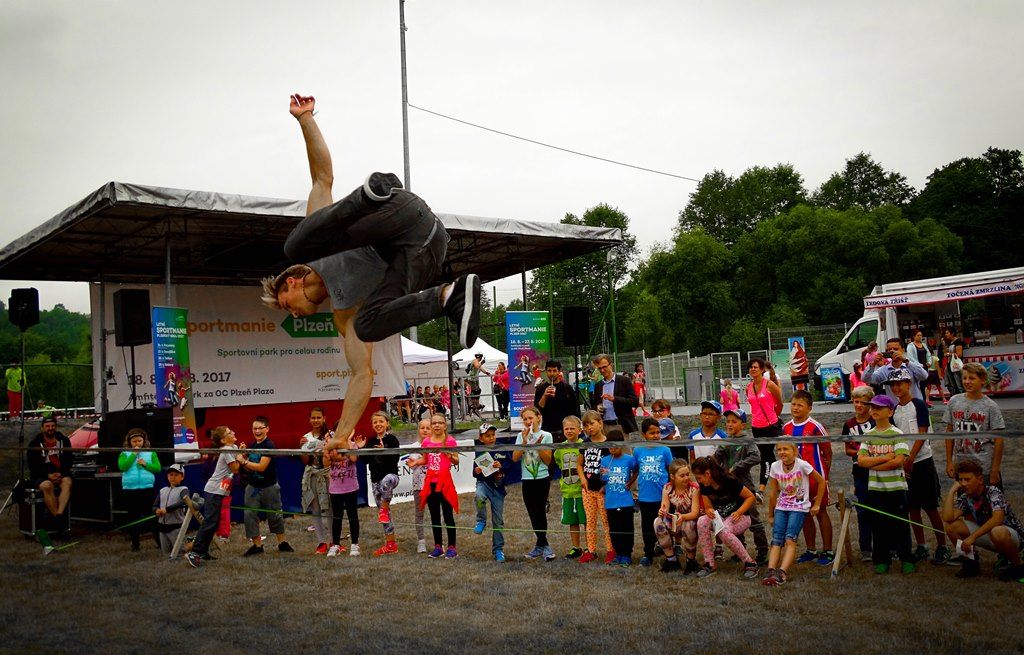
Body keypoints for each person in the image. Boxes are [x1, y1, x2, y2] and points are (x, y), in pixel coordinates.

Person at [261, 94, 481, 450]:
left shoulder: (317, 251)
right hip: (427, 249)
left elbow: (321, 178)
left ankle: (368, 196)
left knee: (298, 244)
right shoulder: (346, 317)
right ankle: (447, 296)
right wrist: (343, 435)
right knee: (367, 323)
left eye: (287, 304)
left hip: (394, 215)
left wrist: (305, 120)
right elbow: (361, 376)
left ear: (292, 280)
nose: (294, 312)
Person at [888, 369, 951, 564]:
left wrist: (911, 457)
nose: (897, 387)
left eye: (901, 383)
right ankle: (921, 545)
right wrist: (902, 460)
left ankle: (942, 545)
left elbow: (923, 433)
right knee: (912, 507)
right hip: (905, 464)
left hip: (922, 461)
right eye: (893, 384)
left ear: (909, 384)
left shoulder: (919, 405)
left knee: (930, 506)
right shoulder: (895, 410)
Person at [856, 395, 916, 574]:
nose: (874, 410)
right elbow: (861, 461)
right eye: (872, 407)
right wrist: (885, 458)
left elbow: (899, 461)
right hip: (876, 488)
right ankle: (881, 560)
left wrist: (875, 462)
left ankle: (906, 558)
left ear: (890, 412)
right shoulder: (868, 435)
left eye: (879, 408)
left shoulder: (897, 434)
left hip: (896, 488)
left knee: (901, 525)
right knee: (878, 526)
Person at [941, 460, 1024, 580]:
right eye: (961, 480)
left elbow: (997, 519)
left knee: (998, 531)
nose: (963, 483)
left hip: (1010, 537)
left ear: (980, 479)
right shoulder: (966, 497)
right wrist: (951, 492)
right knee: (951, 526)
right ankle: (970, 564)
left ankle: (1018, 567)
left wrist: (972, 537)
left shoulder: (993, 492)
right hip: (989, 535)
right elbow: (948, 517)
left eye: (967, 479)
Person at [762, 442, 826, 585]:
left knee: (790, 539)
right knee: (776, 540)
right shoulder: (775, 466)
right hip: (781, 507)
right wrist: (771, 514)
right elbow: (773, 493)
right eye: (779, 449)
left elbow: (822, 482)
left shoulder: (803, 465)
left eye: (785, 449)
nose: (782, 452)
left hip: (799, 507)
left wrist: (816, 504)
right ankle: (771, 571)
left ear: (795, 451)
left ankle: (782, 572)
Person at [782, 390, 834, 566]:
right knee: (803, 514)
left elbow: (827, 452)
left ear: (809, 408)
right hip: (797, 481)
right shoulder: (786, 428)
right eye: (793, 404)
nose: (796, 408)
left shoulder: (815, 427)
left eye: (800, 405)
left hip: (815, 478)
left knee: (820, 511)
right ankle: (811, 549)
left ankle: (828, 551)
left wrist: (824, 476)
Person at [714, 409, 769, 565]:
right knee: (734, 518)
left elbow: (756, 456)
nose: (730, 424)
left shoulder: (746, 440)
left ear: (742, 424)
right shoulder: (726, 440)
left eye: (734, 421)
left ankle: (763, 552)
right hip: (729, 488)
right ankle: (740, 550)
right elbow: (717, 457)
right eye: (728, 421)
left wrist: (737, 467)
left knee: (754, 519)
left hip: (745, 486)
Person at [691, 456, 760, 579]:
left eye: (699, 478)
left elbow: (751, 497)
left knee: (724, 530)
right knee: (702, 521)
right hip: (721, 517)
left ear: (707, 473)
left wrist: (739, 512)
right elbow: (708, 507)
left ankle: (750, 563)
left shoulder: (729, 481)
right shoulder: (704, 486)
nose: (698, 481)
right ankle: (710, 564)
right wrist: (709, 510)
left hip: (741, 517)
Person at [943, 362, 1005, 487]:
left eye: (972, 378)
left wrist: (995, 468)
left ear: (982, 380)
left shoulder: (990, 406)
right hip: (961, 465)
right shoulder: (954, 401)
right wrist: (949, 461)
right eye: (964, 378)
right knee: (964, 502)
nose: (967, 381)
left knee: (987, 502)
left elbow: (999, 440)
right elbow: (949, 433)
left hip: (984, 467)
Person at [239, 416, 293, 556]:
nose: (257, 431)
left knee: (274, 514)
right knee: (249, 514)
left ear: (267, 429)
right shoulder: (252, 446)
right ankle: (257, 545)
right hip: (253, 487)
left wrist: (243, 461)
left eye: (260, 428)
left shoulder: (269, 445)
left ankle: (282, 542)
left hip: (270, 486)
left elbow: (262, 467)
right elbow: (249, 469)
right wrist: (243, 456)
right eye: (254, 428)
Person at [187, 426, 241, 567]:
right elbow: (235, 469)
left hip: (220, 491)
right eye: (229, 432)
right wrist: (241, 459)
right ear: (223, 440)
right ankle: (195, 551)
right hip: (214, 490)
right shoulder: (226, 450)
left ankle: (203, 551)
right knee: (210, 522)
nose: (233, 432)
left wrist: (241, 453)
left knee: (214, 522)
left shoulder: (233, 447)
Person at [355, 411, 401, 556]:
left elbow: (395, 459)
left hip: (391, 477)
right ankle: (390, 544)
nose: (378, 424)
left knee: (386, 483)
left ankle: (384, 509)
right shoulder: (370, 441)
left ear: (387, 423)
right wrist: (361, 448)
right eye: (375, 422)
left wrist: (384, 451)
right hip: (376, 480)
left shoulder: (392, 439)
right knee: (386, 517)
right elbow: (365, 461)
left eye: (381, 421)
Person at [513, 405, 554, 560]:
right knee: (532, 512)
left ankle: (544, 545)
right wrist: (524, 442)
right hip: (527, 479)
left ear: (538, 418)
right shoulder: (520, 436)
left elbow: (547, 460)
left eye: (531, 418)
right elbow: (515, 458)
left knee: (540, 511)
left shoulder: (546, 435)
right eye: (525, 419)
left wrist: (537, 443)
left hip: (542, 478)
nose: (528, 421)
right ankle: (541, 545)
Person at [417, 413, 459, 559]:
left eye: (439, 423)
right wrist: (415, 463)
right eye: (434, 423)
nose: (436, 425)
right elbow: (424, 460)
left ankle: (452, 547)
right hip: (430, 483)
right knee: (434, 515)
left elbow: (456, 461)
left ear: (444, 425)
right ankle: (438, 546)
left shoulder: (450, 441)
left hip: (445, 483)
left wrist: (450, 455)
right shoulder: (426, 442)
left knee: (448, 515)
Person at [842, 386, 876, 561]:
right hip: (859, 470)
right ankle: (865, 549)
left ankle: (887, 546)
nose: (859, 405)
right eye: (856, 402)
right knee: (863, 510)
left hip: (877, 469)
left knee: (880, 508)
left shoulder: (876, 421)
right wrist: (860, 453)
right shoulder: (849, 425)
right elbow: (847, 449)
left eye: (863, 402)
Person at [635, 418, 674, 567]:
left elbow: (671, 470)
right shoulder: (638, 450)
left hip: (662, 497)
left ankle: (669, 553)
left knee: (666, 526)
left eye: (658, 432)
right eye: (652, 433)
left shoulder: (665, 450)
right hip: (645, 497)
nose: (656, 435)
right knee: (647, 527)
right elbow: (635, 469)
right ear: (644, 434)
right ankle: (648, 554)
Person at [577, 410, 614, 564]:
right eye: (585, 425)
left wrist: (606, 484)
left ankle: (611, 550)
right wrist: (582, 479)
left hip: (602, 490)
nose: (589, 428)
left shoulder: (608, 444)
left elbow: (612, 466)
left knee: (606, 521)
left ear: (600, 423)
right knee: (590, 520)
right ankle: (591, 550)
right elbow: (579, 464)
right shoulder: (585, 443)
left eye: (592, 423)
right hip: (588, 490)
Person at [654, 459, 701, 575]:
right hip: (678, 520)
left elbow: (695, 513)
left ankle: (691, 561)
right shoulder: (667, 488)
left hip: (691, 520)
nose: (686, 478)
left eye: (687, 474)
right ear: (673, 476)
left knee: (688, 525)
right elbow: (664, 508)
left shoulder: (694, 488)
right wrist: (662, 512)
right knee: (658, 522)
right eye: (682, 476)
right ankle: (671, 560)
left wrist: (683, 517)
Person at [118, 427, 161, 551]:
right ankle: (135, 544)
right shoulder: (124, 453)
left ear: (144, 441)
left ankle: (159, 542)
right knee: (133, 517)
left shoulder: (151, 453)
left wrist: (146, 464)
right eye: (134, 441)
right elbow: (123, 467)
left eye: (139, 441)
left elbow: (157, 469)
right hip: (130, 489)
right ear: (130, 442)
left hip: (147, 489)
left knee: (151, 516)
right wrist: (133, 455)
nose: (137, 444)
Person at [600, 428, 638, 567]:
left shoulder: (629, 459)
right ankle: (618, 553)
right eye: (610, 446)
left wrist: (630, 482)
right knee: (614, 529)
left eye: (615, 446)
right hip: (610, 501)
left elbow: (636, 470)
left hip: (625, 502)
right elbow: (603, 479)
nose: (612, 449)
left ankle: (627, 554)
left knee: (627, 528)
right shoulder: (604, 461)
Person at [745, 357, 783, 496]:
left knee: (779, 453)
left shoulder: (770, 385)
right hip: (757, 427)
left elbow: (780, 403)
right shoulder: (748, 387)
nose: (753, 369)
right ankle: (772, 486)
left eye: (755, 367)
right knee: (766, 456)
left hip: (772, 425)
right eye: (751, 367)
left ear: (762, 369)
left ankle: (762, 488)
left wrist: (774, 419)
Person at [472, 423, 508, 562]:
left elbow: (510, 466)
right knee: (479, 496)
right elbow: (474, 472)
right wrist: (477, 471)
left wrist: (501, 466)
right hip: (483, 484)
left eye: (493, 435)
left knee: (498, 521)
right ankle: (481, 520)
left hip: (498, 489)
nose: (491, 438)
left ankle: (498, 549)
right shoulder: (479, 451)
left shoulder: (502, 448)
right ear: (481, 438)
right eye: (487, 436)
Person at [299, 407, 332, 554]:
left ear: (324, 418)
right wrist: (303, 448)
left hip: (327, 475)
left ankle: (333, 540)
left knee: (329, 508)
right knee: (316, 508)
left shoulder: (330, 435)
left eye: (318, 417)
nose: (316, 420)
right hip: (312, 475)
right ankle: (321, 542)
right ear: (309, 419)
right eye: (313, 418)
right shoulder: (306, 437)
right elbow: (305, 461)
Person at [26, 417, 73, 519]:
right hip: (41, 474)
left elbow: (69, 460)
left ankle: (59, 515)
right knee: (47, 486)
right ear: (42, 428)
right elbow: (33, 466)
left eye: (53, 426)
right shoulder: (34, 444)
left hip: (60, 472)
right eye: (47, 426)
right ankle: (57, 517)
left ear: (56, 427)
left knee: (67, 482)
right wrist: (48, 475)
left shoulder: (64, 441)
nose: (50, 428)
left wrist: (60, 473)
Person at [554, 416, 587, 559]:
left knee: (586, 520)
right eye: (566, 428)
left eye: (572, 428)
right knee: (572, 521)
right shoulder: (560, 448)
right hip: (568, 491)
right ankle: (576, 547)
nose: (569, 431)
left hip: (582, 491)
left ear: (580, 430)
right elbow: (558, 462)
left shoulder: (584, 445)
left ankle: (589, 547)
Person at [862, 337, 929, 404]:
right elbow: (866, 379)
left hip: (915, 407)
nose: (892, 351)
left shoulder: (911, 365)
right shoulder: (884, 369)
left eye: (896, 349)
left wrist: (905, 360)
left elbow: (924, 376)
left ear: (903, 350)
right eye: (889, 349)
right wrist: (873, 363)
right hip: (895, 409)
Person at [324, 436, 360, 557]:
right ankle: (335, 544)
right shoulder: (330, 446)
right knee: (337, 517)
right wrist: (328, 449)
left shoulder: (352, 444)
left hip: (351, 487)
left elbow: (354, 458)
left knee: (352, 515)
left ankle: (355, 544)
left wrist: (348, 442)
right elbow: (325, 464)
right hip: (335, 489)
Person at [589, 353, 638, 434]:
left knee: (623, 447)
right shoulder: (598, 385)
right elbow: (594, 405)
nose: (602, 370)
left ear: (611, 365)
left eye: (604, 367)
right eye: (599, 368)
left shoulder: (624, 381)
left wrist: (615, 399)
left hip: (621, 426)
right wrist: (597, 408)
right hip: (604, 427)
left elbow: (634, 402)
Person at [534, 360, 580, 440]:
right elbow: (537, 411)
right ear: (546, 372)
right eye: (549, 371)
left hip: (565, 430)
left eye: (554, 371)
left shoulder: (567, 388)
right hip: (547, 430)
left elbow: (575, 409)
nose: (552, 373)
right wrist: (544, 396)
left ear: (559, 372)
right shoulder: (540, 389)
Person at [406, 418, 433, 553]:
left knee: (435, 514)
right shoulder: (414, 446)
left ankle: (438, 542)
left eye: (428, 428)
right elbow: (412, 464)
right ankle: (421, 541)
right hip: (419, 485)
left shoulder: (435, 445)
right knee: (419, 513)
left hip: (433, 485)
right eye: (422, 428)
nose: (425, 430)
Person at [154, 463, 189, 558]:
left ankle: (192, 545)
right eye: (171, 475)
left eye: (176, 475)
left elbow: (184, 502)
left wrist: (167, 510)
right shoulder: (162, 490)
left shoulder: (183, 489)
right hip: (162, 527)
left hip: (175, 527)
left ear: (182, 477)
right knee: (165, 553)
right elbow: (155, 506)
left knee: (180, 552)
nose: (173, 477)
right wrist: (156, 510)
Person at [905, 330, 934, 404]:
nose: (920, 337)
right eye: (918, 335)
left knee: (925, 386)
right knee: (919, 386)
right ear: (914, 336)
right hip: (917, 368)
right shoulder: (910, 346)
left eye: (921, 335)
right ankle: (921, 402)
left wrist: (929, 362)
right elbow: (911, 358)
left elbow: (928, 354)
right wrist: (920, 365)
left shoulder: (924, 345)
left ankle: (924, 401)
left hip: (925, 367)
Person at [942, 328, 966, 396]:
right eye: (945, 333)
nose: (946, 334)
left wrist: (949, 354)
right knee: (952, 382)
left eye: (947, 333)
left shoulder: (958, 342)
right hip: (950, 364)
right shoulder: (950, 342)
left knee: (958, 381)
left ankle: (962, 396)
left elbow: (959, 354)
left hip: (956, 365)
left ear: (952, 333)